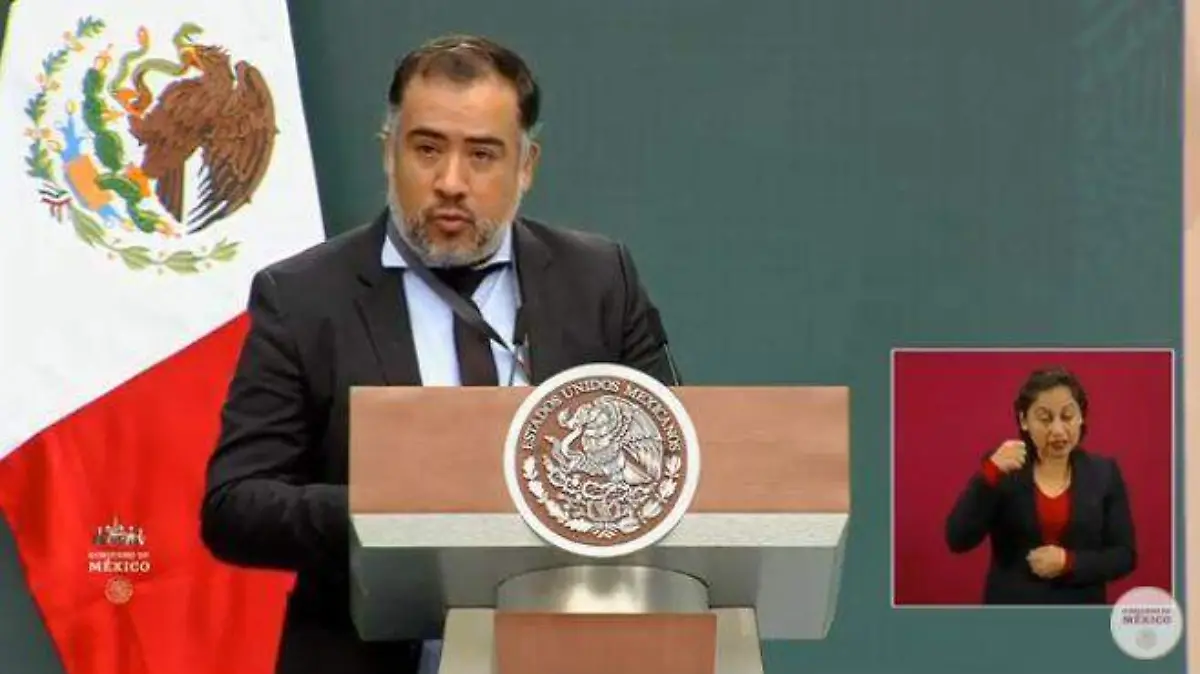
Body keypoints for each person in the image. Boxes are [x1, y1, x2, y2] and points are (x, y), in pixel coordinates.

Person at [199, 34, 678, 674]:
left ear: (526, 166)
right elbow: (235, 507)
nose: (451, 182)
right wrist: (397, 510)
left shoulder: (599, 281)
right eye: (427, 149)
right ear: (388, 152)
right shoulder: (303, 297)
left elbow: (672, 475)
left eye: (482, 154)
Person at [944, 367, 1136, 604]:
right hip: (1012, 613)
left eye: (1067, 416)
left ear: (1081, 417)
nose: (1058, 430)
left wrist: (1069, 562)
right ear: (1024, 420)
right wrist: (989, 474)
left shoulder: (1104, 473)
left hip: (1080, 612)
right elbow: (958, 539)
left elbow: (1124, 556)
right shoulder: (1004, 468)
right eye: (1045, 419)